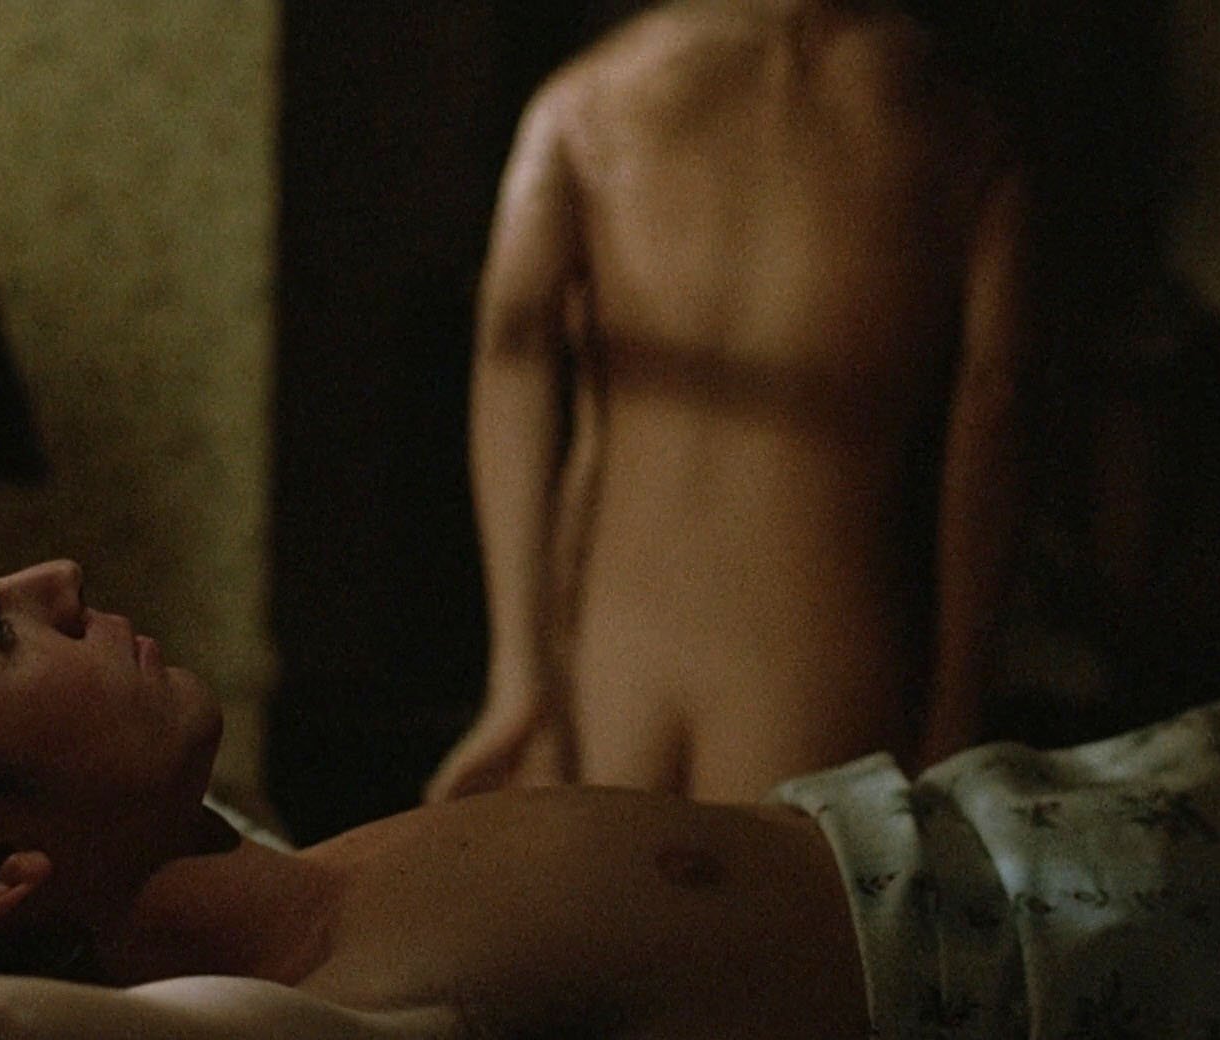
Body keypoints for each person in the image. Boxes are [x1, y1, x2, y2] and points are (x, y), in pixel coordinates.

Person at [0, 475, 1220, 1038]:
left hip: (1186, 810)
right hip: (1216, 965)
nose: (59, 576)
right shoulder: (274, 1006)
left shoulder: (204, 868)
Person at [429, 0, 1030, 804]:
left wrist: (517, 674)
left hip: (611, 659)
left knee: (613, 884)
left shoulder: (587, 101)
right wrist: (958, 708)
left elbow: (512, 343)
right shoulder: (955, 117)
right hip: (818, 654)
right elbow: (996, 400)